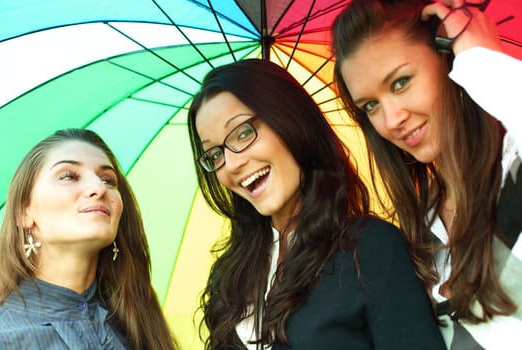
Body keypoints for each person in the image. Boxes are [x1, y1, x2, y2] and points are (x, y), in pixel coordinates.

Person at [187, 58, 445, 349]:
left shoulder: (370, 248)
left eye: (243, 132)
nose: (231, 164)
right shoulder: (230, 278)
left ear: (289, 120)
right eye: (214, 155)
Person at [332, 0, 522, 348]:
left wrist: (482, 61)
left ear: (449, 58)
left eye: (401, 82)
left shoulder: (514, 168)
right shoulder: (423, 225)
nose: (391, 120)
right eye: (370, 106)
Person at [0, 128, 178, 349]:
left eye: (108, 180)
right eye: (68, 176)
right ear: (23, 212)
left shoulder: (140, 328)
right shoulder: (4, 336)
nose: (99, 188)